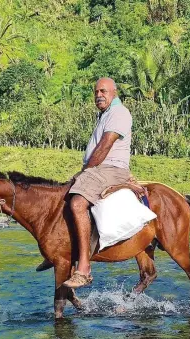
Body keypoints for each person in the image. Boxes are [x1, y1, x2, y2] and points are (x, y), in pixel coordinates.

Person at [63, 77, 132, 288]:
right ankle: (60, 251)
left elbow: (104, 147)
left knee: (77, 203)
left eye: (103, 91)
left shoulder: (119, 113)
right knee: (62, 194)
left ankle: (83, 268)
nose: (99, 95)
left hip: (110, 169)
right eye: (96, 92)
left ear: (114, 92)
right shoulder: (105, 114)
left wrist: (84, 172)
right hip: (101, 169)